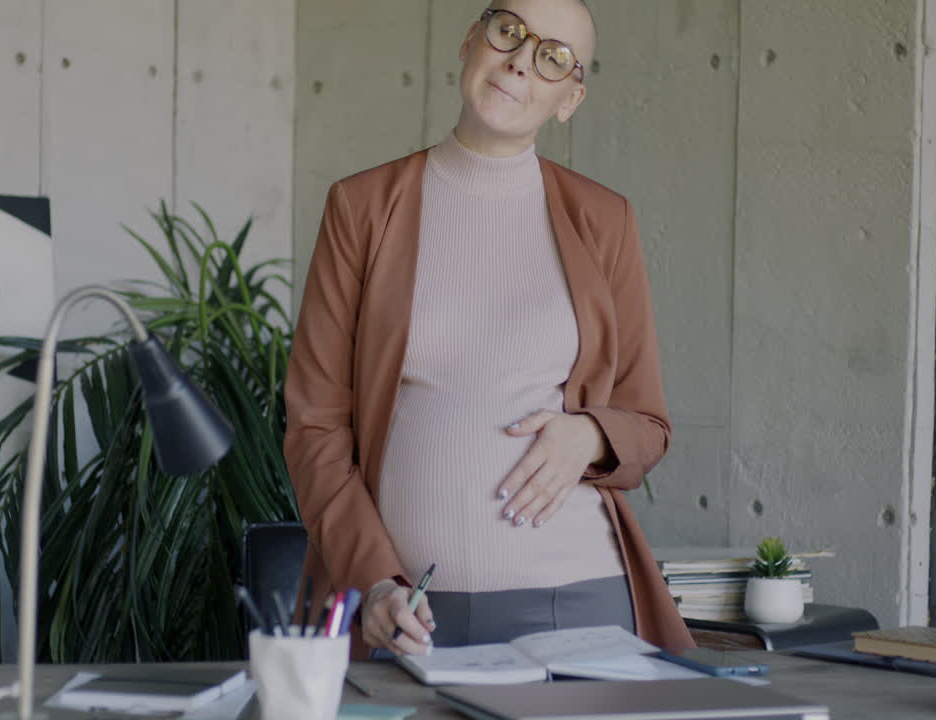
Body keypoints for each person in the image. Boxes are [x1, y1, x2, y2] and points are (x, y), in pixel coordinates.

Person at [284, 0, 694, 658]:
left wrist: (589, 432)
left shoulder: (604, 220)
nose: (520, 63)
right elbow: (314, 426)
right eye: (509, 32)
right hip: (409, 611)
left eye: (552, 57)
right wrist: (377, 585)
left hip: (579, 596)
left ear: (570, 97)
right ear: (471, 41)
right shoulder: (362, 208)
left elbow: (648, 425)